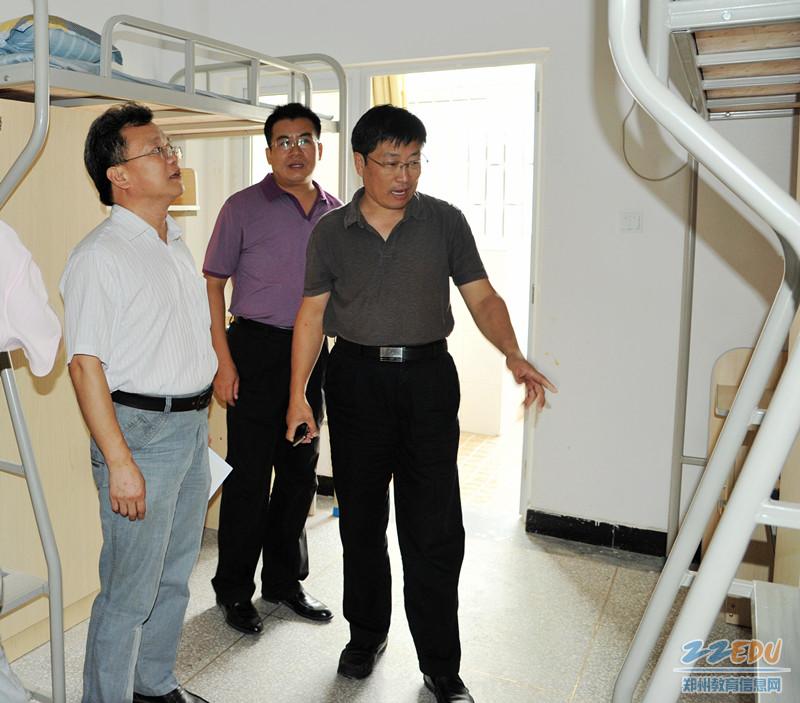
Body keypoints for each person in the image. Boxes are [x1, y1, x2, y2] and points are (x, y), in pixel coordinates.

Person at [286, 104, 556, 703]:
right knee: (361, 519)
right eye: (390, 162)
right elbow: (310, 316)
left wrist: (513, 353)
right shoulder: (330, 232)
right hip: (355, 380)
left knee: (434, 527)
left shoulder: (444, 221)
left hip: (428, 380)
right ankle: (366, 635)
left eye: (413, 161)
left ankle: (440, 664)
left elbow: (482, 297)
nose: (404, 175)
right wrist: (298, 394)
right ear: (360, 163)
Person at [60, 102, 217, 703]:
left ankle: (153, 685)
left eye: (170, 146)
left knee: (174, 576)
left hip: (187, 427)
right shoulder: (99, 256)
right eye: (157, 150)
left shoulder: (173, 239)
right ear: (119, 175)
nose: (173, 157)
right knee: (128, 593)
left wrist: (198, 418)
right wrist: (119, 461)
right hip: (139, 435)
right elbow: (84, 367)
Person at [204, 103, 341, 635]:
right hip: (255, 350)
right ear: (268, 152)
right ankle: (234, 590)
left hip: (313, 357)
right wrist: (224, 360)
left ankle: (284, 582)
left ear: (319, 148)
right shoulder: (241, 207)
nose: (294, 150)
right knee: (249, 475)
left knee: (300, 473)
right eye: (283, 141)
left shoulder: (336, 213)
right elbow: (214, 283)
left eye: (304, 140)